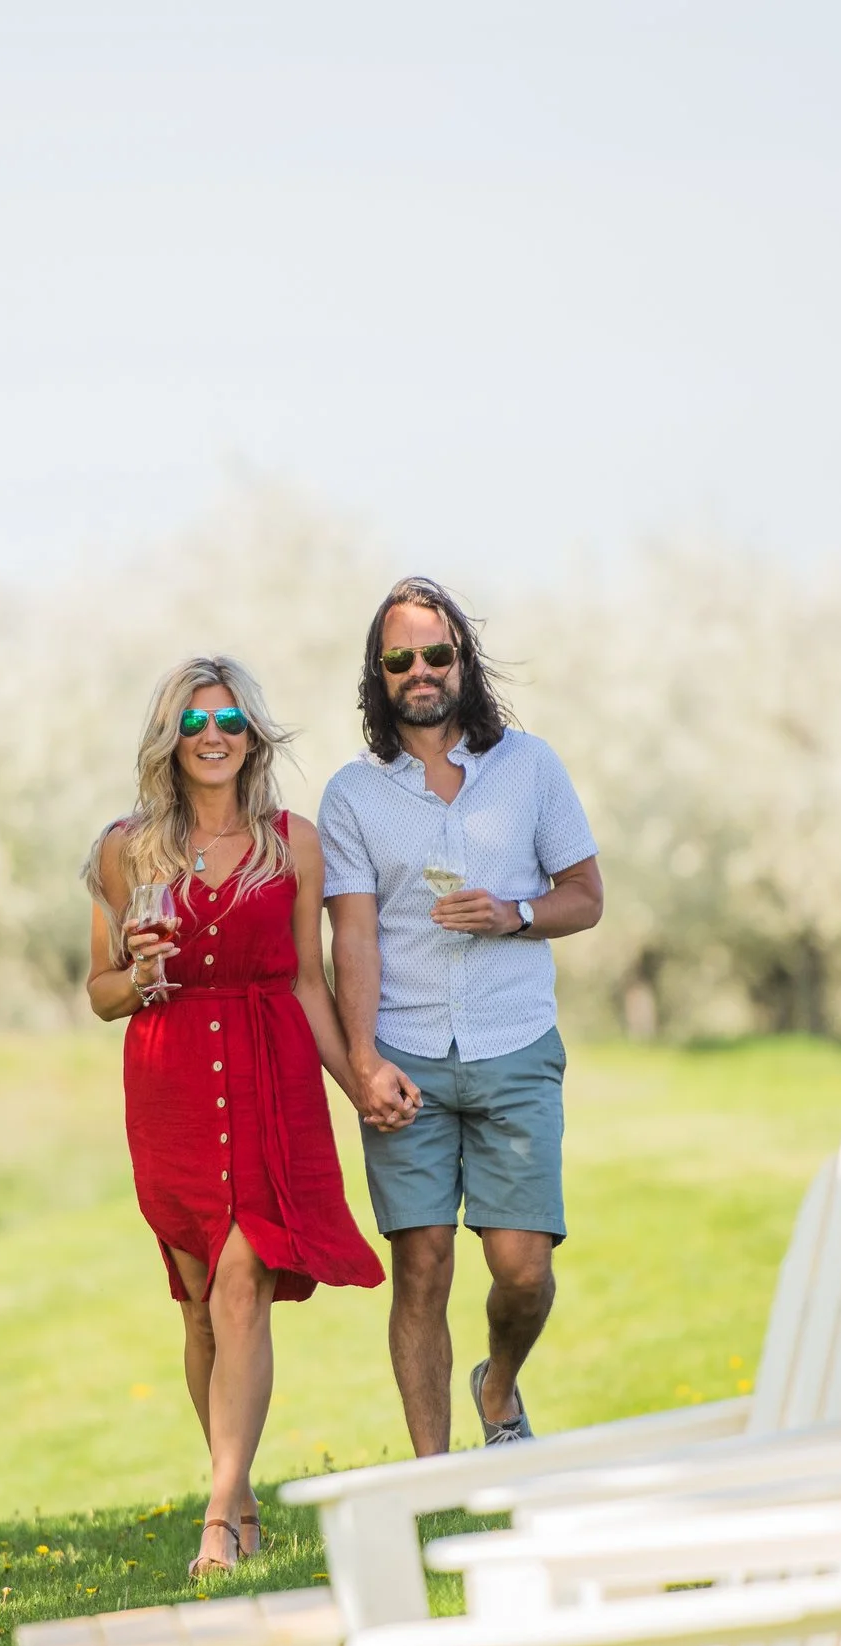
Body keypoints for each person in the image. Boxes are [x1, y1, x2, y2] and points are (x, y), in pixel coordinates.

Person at [83, 655, 387, 1577]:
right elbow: (100, 993)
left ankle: (217, 1516)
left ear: (252, 735)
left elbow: (308, 981)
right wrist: (141, 972)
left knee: (243, 1280)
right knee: (200, 1309)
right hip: (170, 1085)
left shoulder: (292, 844)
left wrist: (359, 1080)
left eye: (228, 720)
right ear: (169, 738)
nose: (211, 735)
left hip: (269, 1078)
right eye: (193, 721)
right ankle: (241, 1489)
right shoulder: (125, 849)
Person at [320, 577, 604, 1455]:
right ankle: (435, 1481)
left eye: (436, 653)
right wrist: (362, 1061)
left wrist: (514, 913)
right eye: (399, 658)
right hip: (405, 1054)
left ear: (463, 660)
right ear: (378, 675)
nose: (420, 670)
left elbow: (586, 895)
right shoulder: (353, 795)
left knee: (523, 1269)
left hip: (514, 1045)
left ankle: (499, 1384)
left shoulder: (531, 767)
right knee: (421, 1265)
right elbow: (352, 937)